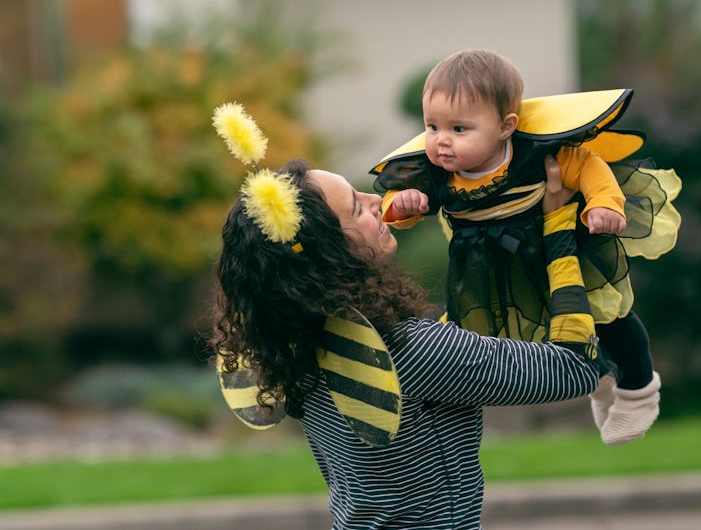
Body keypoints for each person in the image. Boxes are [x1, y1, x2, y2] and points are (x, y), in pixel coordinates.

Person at [209, 103, 604, 529]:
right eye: (355, 209)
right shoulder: (412, 352)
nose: (376, 200)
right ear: (329, 258)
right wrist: (560, 230)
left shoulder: (294, 348)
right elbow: (575, 368)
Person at [370, 49, 682, 445]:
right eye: (432, 126)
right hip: (492, 272)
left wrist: (605, 204)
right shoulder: (435, 173)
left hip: (559, 248)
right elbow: (405, 203)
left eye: (459, 129)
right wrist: (400, 206)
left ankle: (639, 391)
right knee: (537, 333)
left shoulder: (535, 154)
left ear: (505, 126)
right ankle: (602, 378)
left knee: (608, 316)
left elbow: (587, 166)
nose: (441, 141)